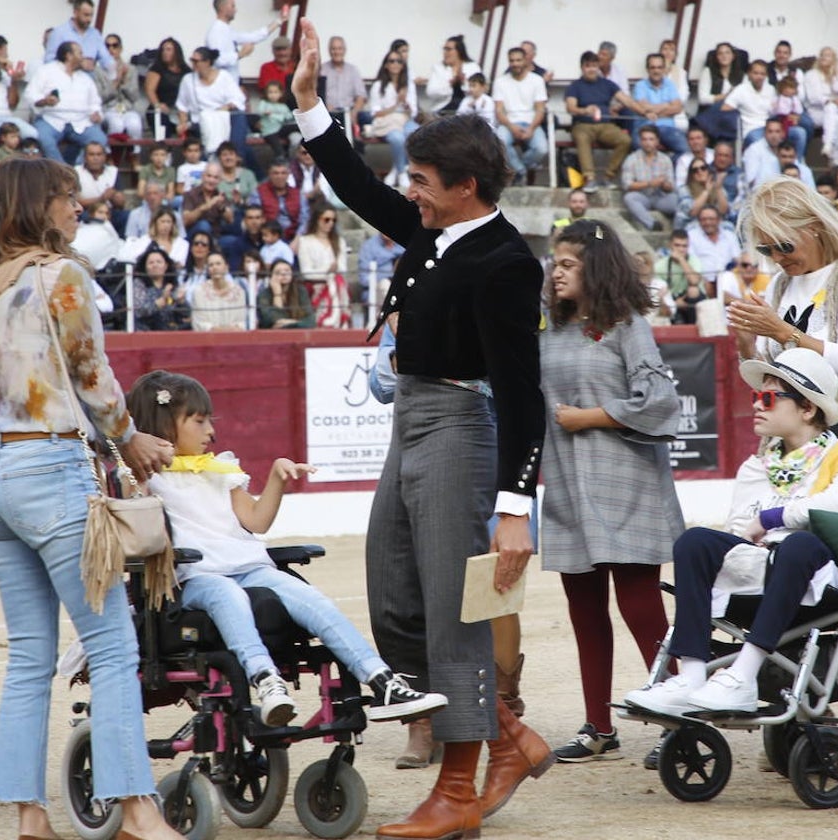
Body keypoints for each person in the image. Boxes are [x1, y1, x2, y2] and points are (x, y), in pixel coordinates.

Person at [292, 18, 554, 838]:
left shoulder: (505, 261)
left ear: (467, 186)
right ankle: (506, 736)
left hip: (461, 429)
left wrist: (515, 503)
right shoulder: (436, 231)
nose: (409, 190)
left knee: (454, 610)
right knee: (394, 596)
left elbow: (522, 391)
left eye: (423, 179)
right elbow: (358, 189)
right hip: (412, 418)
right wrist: (309, 109)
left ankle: (458, 787)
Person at [0, 155, 184, 840]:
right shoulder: (60, 277)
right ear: (37, 206)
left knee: (31, 655)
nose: (78, 206)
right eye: (66, 197)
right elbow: (93, 375)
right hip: (52, 468)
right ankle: (137, 810)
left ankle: (31, 817)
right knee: (113, 648)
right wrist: (131, 442)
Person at [126, 368, 445, 725]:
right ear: (165, 422)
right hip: (197, 576)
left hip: (249, 567)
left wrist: (277, 477)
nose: (211, 432)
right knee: (226, 595)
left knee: (312, 598)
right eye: (199, 422)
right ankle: (266, 680)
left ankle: (381, 679)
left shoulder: (220, 469)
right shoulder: (146, 478)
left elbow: (256, 521)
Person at [624, 348, 838, 716]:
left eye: (769, 398)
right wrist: (764, 528)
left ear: (807, 409)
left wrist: (771, 519)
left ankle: (744, 673)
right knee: (695, 541)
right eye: (756, 397)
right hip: (763, 574)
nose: (758, 405)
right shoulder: (757, 465)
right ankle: (691, 676)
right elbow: (739, 533)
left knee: (798, 545)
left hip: (820, 581)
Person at [541, 220, 683, 761]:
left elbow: (661, 401)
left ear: (595, 268)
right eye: (555, 263)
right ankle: (597, 727)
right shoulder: (547, 332)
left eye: (568, 264)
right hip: (568, 488)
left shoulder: (628, 326)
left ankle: (677, 720)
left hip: (628, 486)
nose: (556, 272)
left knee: (641, 606)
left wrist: (592, 418)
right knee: (584, 610)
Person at [729, 177, 838, 421]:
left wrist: (784, 332)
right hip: (793, 444)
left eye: (784, 246)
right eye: (766, 250)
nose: (776, 257)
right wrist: (746, 345)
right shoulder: (779, 283)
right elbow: (768, 382)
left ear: (814, 226)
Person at [564, 50, 636, 194]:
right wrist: (585, 110)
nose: (591, 69)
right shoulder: (575, 86)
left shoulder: (607, 84)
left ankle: (608, 177)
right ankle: (589, 178)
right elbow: (570, 107)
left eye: (594, 66)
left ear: (598, 67)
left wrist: (646, 112)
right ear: (582, 67)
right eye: (588, 66)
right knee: (581, 137)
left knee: (625, 140)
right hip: (582, 124)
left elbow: (627, 100)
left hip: (605, 125)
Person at [27, 40, 107, 166]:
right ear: (68, 55)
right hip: (51, 119)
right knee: (43, 139)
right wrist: (44, 101)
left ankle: (79, 170)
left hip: (81, 121)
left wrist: (97, 114)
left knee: (99, 139)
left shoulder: (85, 78)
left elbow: (95, 102)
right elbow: (31, 95)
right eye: (79, 53)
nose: (83, 57)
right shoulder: (46, 71)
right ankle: (62, 171)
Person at [175, 47, 254, 169]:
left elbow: (238, 99)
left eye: (197, 61)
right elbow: (182, 106)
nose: (193, 64)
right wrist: (183, 123)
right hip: (200, 121)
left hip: (224, 119)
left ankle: (236, 159)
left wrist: (226, 107)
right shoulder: (187, 80)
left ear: (207, 62)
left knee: (239, 116)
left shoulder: (224, 77)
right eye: (192, 60)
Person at [492, 46, 548, 187]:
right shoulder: (500, 82)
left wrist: (531, 128)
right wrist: (512, 127)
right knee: (500, 142)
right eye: (512, 60)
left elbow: (540, 110)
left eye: (518, 60)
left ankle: (517, 168)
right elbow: (499, 111)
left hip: (532, 123)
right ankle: (521, 170)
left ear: (526, 60)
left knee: (542, 149)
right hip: (508, 123)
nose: (515, 63)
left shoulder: (537, 80)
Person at [364, 49, 419, 189]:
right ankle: (402, 173)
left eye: (399, 61)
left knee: (415, 134)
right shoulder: (378, 86)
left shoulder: (409, 84)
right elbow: (375, 113)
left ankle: (396, 168)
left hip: (405, 120)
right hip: (388, 122)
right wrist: (395, 105)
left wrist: (405, 101)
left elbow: (413, 111)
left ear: (403, 65)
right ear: (386, 65)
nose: (395, 64)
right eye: (391, 61)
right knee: (397, 138)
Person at [294, 203, 349, 327]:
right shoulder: (305, 241)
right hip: (315, 285)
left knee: (336, 282)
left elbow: (343, 268)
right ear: (317, 220)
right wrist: (327, 270)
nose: (330, 223)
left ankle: (333, 321)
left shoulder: (339, 241)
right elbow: (306, 272)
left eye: (333, 220)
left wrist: (332, 272)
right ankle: (332, 322)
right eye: (326, 220)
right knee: (334, 284)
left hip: (335, 283)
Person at [206, 0, 288, 79]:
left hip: (231, 83)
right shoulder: (216, 31)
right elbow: (218, 59)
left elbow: (253, 37)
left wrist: (279, 21)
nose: (236, 10)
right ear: (222, 8)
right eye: (233, 6)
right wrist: (240, 54)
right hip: (220, 86)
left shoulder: (228, 30)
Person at [630, 52, 686, 157]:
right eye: (653, 68)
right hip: (644, 127)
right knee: (637, 145)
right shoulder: (640, 85)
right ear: (647, 69)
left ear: (664, 69)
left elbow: (678, 108)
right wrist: (665, 105)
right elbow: (642, 107)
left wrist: (651, 111)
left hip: (667, 128)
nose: (656, 71)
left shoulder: (670, 85)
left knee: (685, 148)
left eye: (659, 67)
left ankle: (668, 170)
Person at [621, 125, 676, 231]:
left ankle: (679, 229)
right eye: (644, 139)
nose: (648, 142)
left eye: (651, 139)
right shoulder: (632, 159)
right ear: (640, 142)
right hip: (642, 196)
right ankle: (652, 224)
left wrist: (664, 184)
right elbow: (627, 185)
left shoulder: (665, 159)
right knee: (629, 198)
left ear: (657, 141)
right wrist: (650, 183)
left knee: (678, 200)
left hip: (660, 196)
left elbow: (670, 187)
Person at [804, 47, 838, 168]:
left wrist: (833, 75)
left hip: (833, 114)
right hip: (816, 112)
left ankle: (831, 151)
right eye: (822, 55)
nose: (824, 58)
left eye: (828, 55)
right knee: (831, 107)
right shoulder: (811, 75)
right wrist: (830, 99)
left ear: (834, 59)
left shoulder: (836, 76)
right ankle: (831, 147)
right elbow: (813, 98)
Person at [695, 42, 747, 142]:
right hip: (711, 110)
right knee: (722, 106)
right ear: (716, 57)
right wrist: (727, 96)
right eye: (720, 53)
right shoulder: (708, 72)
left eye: (727, 53)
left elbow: (743, 99)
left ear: (733, 56)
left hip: (732, 112)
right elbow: (703, 99)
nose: (724, 56)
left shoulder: (742, 75)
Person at [132, 245, 190, 331]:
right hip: (146, 330)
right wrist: (159, 302)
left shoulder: (172, 284)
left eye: (159, 262)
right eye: (151, 263)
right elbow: (138, 311)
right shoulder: (139, 283)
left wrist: (181, 301)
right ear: (145, 267)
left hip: (171, 330)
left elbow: (186, 314)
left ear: (166, 266)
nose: (155, 265)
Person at [654, 228, 706, 323]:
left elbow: (694, 281)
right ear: (670, 245)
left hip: (692, 300)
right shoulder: (660, 265)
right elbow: (659, 290)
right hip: (671, 300)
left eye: (684, 246)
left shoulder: (694, 260)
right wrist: (673, 303)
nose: (681, 249)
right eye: (677, 245)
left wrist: (682, 260)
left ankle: (694, 328)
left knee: (693, 290)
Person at [96, 34, 142, 139]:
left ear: (120, 48)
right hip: (107, 109)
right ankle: (110, 153)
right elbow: (100, 98)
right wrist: (116, 81)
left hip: (127, 108)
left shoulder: (131, 69)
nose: (111, 49)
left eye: (114, 46)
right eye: (107, 46)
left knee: (135, 124)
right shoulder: (98, 71)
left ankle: (134, 153)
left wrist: (124, 81)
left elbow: (134, 97)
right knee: (116, 124)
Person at [43, 0, 110, 72]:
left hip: (87, 80)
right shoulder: (59, 32)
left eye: (91, 15)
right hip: (64, 79)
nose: (89, 19)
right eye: (86, 15)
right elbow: (48, 61)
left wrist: (115, 68)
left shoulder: (95, 35)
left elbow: (106, 59)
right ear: (75, 13)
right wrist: (79, 63)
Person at [426, 34, 483, 115]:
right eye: (444, 49)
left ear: (459, 51)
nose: (445, 52)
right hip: (443, 110)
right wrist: (450, 85)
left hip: (467, 111)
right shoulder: (438, 68)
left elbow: (479, 90)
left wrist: (464, 83)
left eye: (448, 49)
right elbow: (431, 92)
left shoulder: (473, 67)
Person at [191, 251, 247, 331]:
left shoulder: (239, 292)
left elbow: (241, 323)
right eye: (211, 265)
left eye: (218, 264)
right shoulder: (199, 292)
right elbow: (200, 324)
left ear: (226, 267)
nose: (215, 267)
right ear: (208, 270)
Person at [145, 37, 188, 139]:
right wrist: (157, 105)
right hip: (160, 108)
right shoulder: (157, 68)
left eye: (168, 49)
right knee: (161, 124)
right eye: (163, 50)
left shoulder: (186, 71)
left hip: (180, 110)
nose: (165, 52)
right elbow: (149, 90)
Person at [319, 36, 366, 128]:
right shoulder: (321, 70)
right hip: (328, 113)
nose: (337, 52)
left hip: (349, 113)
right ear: (329, 51)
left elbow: (361, 96)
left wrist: (354, 112)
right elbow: (315, 94)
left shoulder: (353, 70)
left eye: (339, 49)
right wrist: (324, 106)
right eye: (333, 49)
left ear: (344, 50)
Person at [257, 257, 315, 329]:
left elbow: (311, 321)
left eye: (287, 271)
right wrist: (277, 294)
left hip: (298, 334)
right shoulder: (264, 294)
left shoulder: (301, 291)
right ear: (271, 276)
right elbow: (275, 320)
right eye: (278, 272)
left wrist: (292, 322)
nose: (283, 274)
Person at [674, 160, 728, 231]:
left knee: (728, 226)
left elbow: (723, 211)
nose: (699, 171)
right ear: (691, 175)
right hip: (690, 224)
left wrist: (718, 189)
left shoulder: (717, 187)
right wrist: (707, 191)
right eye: (695, 170)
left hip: (714, 224)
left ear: (708, 170)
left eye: (703, 168)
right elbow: (692, 212)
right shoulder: (684, 189)